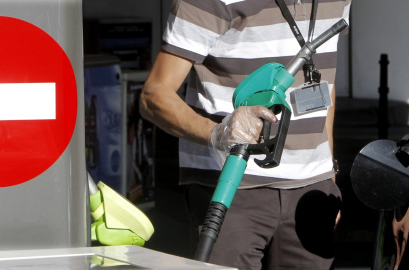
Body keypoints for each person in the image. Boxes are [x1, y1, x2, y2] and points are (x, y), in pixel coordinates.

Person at [140, 0, 351, 269]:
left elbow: (323, 80)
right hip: (230, 187)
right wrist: (217, 133)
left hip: (312, 189)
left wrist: (328, 173)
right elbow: (153, 95)